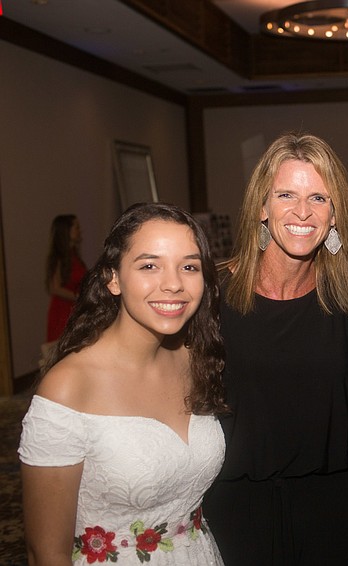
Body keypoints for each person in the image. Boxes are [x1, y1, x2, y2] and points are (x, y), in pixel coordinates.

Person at [19, 202, 228, 565]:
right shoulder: (69, 387)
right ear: (112, 278)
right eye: (150, 265)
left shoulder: (196, 360)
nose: (174, 283)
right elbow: (45, 552)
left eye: (189, 266)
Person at [203, 132, 348, 565]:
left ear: (335, 215)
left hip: (333, 516)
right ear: (262, 207)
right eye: (286, 195)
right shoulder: (211, 296)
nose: (302, 212)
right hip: (234, 515)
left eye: (319, 198)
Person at [45, 214, 87, 342]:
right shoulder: (59, 257)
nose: (79, 231)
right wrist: (79, 297)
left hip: (74, 310)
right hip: (63, 311)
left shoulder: (74, 256)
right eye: (76, 227)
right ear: (66, 231)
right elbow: (55, 288)